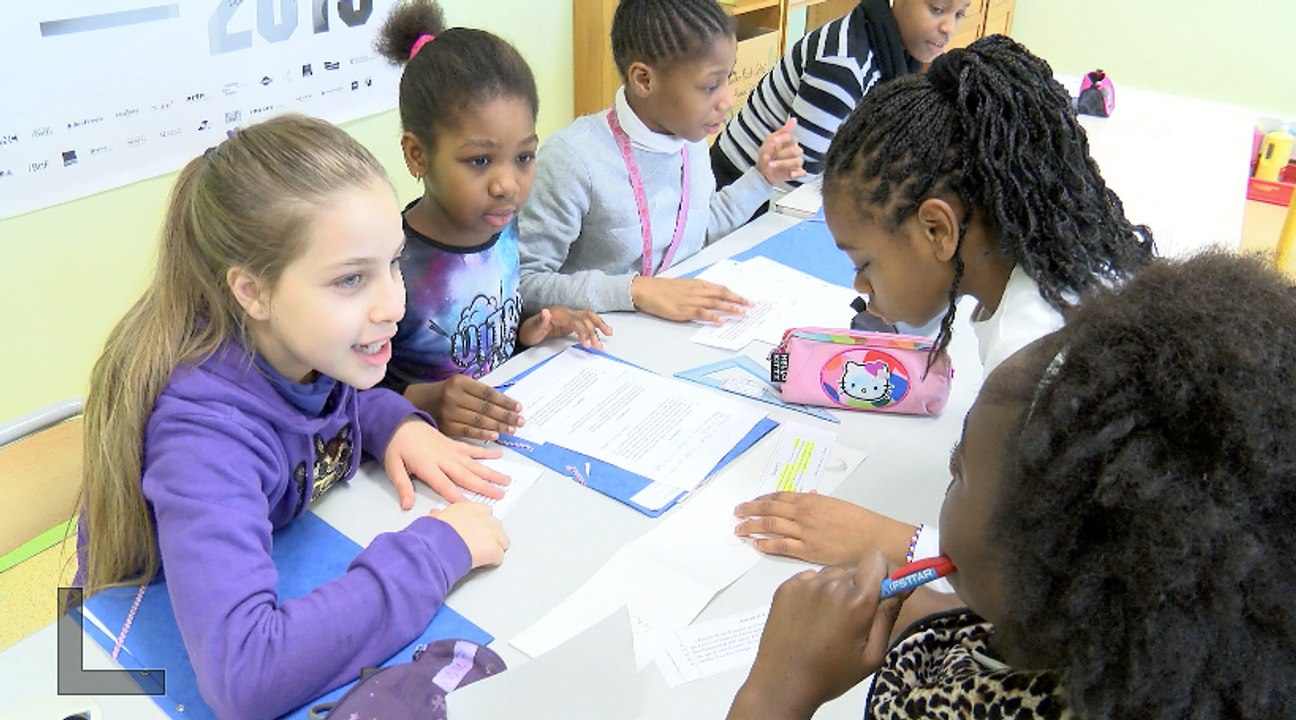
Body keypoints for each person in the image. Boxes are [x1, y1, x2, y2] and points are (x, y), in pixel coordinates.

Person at [729, 252, 1296, 719]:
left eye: (960, 471)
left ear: (1056, 553)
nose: (946, 481)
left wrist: (780, 691)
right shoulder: (1156, 654)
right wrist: (941, 612)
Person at [76, 115, 511, 720]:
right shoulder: (203, 438)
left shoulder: (299, 340)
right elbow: (245, 675)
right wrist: (435, 553)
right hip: (128, 664)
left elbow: (331, 395)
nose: (393, 303)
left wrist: (396, 422)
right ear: (252, 292)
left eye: (394, 262)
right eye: (351, 279)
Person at [734, 35, 1155, 571]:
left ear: (937, 228)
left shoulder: (1036, 349)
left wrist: (893, 541)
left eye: (864, 263)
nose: (859, 287)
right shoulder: (1045, 270)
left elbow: (1042, 574)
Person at [374, 0, 611, 441]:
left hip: (505, 440)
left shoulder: (501, 227)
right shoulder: (389, 263)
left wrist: (530, 332)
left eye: (524, 156)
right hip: (424, 455)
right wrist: (425, 400)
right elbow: (351, 393)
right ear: (417, 155)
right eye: (480, 160)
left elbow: (486, 347)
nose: (507, 184)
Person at [517, 0, 805, 323]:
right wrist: (635, 291)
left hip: (662, 335)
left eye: (728, 78)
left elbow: (694, 231)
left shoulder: (688, 139)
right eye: (711, 86)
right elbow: (523, 284)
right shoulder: (572, 160)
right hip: (592, 348)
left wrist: (763, 179)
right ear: (644, 80)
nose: (727, 99)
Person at [711, 0, 969, 194]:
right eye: (937, 9)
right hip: (738, 195)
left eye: (959, 14)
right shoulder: (843, 67)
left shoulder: (892, 53)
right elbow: (791, 190)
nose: (949, 28)